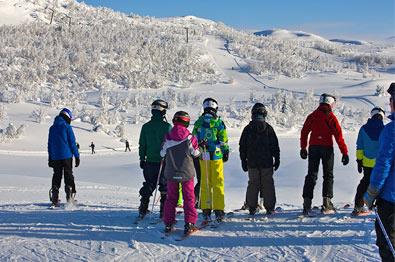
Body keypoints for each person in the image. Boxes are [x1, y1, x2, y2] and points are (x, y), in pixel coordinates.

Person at [300, 93, 349, 215]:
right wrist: (344, 152)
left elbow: (304, 132)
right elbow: (339, 137)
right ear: (331, 103)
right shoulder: (331, 117)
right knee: (328, 175)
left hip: (313, 148)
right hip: (327, 148)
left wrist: (303, 147)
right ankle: (327, 203)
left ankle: (307, 204)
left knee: (311, 174)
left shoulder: (312, 116)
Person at [364, 83, 395, 262]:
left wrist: (372, 192)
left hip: (390, 200)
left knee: (387, 244)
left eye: (391, 100)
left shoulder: (391, 130)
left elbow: (383, 163)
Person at [161, 111, 200, 235]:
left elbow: (162, 153)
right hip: (187, 173)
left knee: (171, 198)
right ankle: (189, 223)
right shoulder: (190, 137)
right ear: (187, 122)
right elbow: (196, 153)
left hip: (171, 172)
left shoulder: (167, 136)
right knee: (189, 198)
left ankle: (168, 223)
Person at [239, 103, 280, 215]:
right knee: (268, 184)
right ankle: (270, 208)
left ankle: (252, 207)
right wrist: (277, 159)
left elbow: (242, 146)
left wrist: (243, 160)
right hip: (267, 162)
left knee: (253, 184)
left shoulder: (247, 129)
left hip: (252, 162)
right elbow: (275, 146)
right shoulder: (268, 128)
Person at [193, 97, 229, 222]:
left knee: (205, 182)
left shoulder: (198, 122)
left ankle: (206, 209)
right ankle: (219, 210)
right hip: (216, 155)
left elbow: (193, 139)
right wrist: (225, 151)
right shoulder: (219, 122)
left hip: (203, 155)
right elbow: (223, 139)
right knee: (218, 182)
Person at [138, 99, 172, 219]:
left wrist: (142, 158)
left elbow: (142, 144)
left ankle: (143, 207)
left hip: (149, 162)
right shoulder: (167, 126)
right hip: (164, 162)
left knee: (149, 184)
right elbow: (171, 145)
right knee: (164, 186)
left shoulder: (146, 127)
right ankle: (164, 211)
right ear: (163, 112)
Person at [352, 107, 385, 216]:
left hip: (367, 163)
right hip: (380, 164)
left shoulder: (363, 129)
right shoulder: (385, 129)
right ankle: (380, 208)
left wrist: (359, 161)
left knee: (365, 183)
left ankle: (358, 206)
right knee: (381, 184)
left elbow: (360, 147)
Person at [48, 108, 80, 206]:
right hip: (67, 156)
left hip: (55, 157)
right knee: (68, 175)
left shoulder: (52, 128)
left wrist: (50, 158)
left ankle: (55, 197)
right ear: (67, 117)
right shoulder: (67, 127)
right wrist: (77, 156)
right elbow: (72, 143)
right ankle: (70, 196)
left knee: (57, 175)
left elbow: (49, 144)